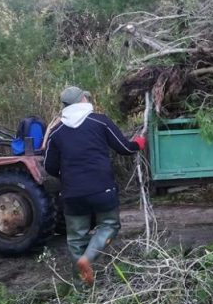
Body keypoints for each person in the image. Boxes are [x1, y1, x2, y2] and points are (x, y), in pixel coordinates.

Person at [44, 86, 146, 285]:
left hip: (72, 193)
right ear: (83, 99)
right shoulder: (100, 122)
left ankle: (82, 287)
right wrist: (139, 143)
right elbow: (124, 148)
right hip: (102, 189)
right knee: (109, 225)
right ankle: (87, 259)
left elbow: (49, 166)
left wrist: (68, 176)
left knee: (76, 238)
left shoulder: (57, 132)